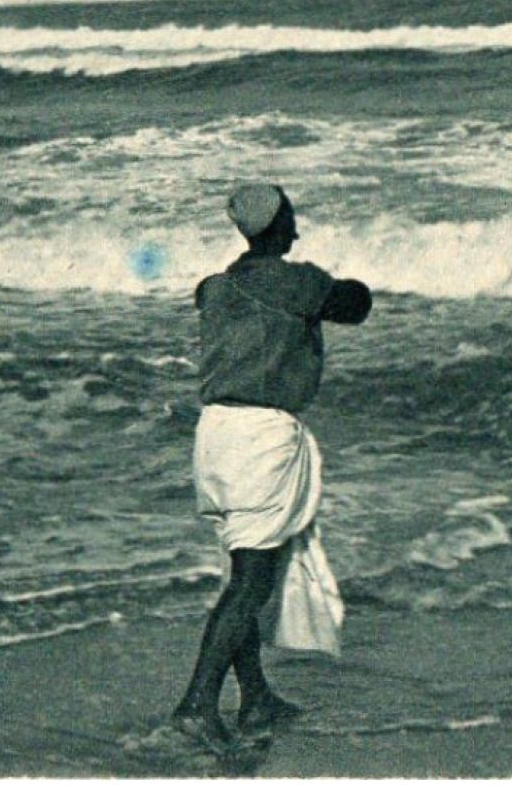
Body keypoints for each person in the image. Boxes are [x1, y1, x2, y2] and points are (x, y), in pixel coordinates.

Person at [172, 183, 371, 756]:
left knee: (242, 576)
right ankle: (196, 705)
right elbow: (356, 305)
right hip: (260, 441)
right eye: (292, 221)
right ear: (277, 226)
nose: (298, 232)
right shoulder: (293, 281)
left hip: (215, 436)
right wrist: (342, 288)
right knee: (251, 584)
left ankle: (256, 695)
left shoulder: (214, 288)